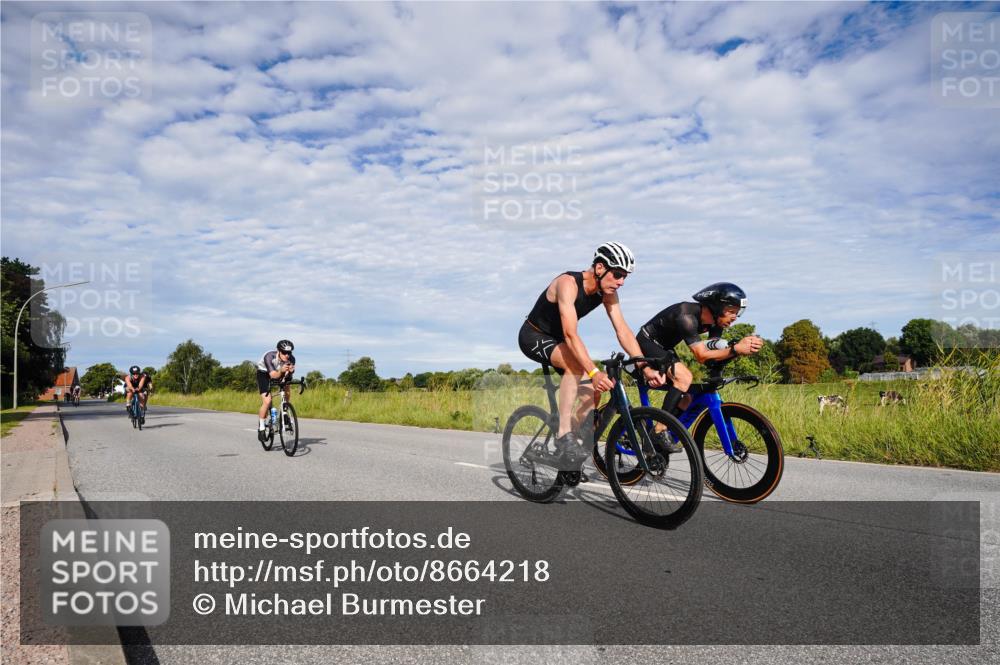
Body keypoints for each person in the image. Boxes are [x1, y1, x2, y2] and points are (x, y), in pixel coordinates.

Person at [518, 242, 663, 466]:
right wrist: (594, 372)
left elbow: (623, 330)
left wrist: (644, 366)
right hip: (533, 335)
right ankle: (563, 434)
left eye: (624, 277)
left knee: (592, 395)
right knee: (577, 367)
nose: (621, 282)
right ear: (599, 268)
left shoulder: (607, 293)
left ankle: (569, 453)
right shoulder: (568, 283)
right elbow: (570, 334)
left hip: (559, 340)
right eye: (617, 274)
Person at [637, 282, 763, 449]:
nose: (735, 317)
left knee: (687, 398)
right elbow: (701, 355)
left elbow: (714, 352)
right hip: (646, 342)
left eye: (738, 313)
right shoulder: (686, 316)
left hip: (665, 348)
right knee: (684, 377)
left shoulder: (716, 323)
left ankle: (660, 441)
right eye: (731, 311)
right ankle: (659, 431)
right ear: (716, 307)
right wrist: (735, 349)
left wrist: (738, 350)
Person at [256, 339, 296, 442]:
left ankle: (285, 412)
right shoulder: (269, 356)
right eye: (284, 352)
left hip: (279, 372)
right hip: (264, 374)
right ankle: (261, 427)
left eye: (289, 352)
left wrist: (290, 372)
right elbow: (273, 375)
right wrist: (281, 371)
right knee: (267, 401)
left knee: (287, 387)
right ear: (278, 351)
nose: (287, 355)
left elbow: (287, 377)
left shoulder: (291, 358)